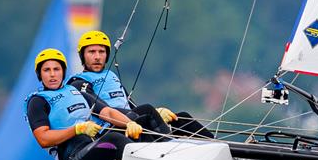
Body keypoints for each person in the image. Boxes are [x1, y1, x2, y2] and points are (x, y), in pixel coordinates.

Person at [67, 30, 213, 141]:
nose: (97, 56)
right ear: (82, 56)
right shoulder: (79, 82)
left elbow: (131, 105)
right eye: (91, 52)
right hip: (112, 129)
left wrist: (157, 113)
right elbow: (100, 110)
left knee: (180, 118)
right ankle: (169, 147)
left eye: (101, 52)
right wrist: (139, 116)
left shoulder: (111, 76)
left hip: (133, 122)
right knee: (147, 109)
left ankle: (220, 148)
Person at [26, 48, 143, 160]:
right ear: (39, 75)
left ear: (63, 72)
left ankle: (164, 154)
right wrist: (77, 129)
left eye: (56, 69)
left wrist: (130, 124)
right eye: (47, 70)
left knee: (139, 120)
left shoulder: (76, 92)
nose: (52, 74)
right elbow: (43, 139)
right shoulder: (37, 101)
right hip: (74, 158)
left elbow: (108, 112)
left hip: (95, 148)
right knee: (114, 139)